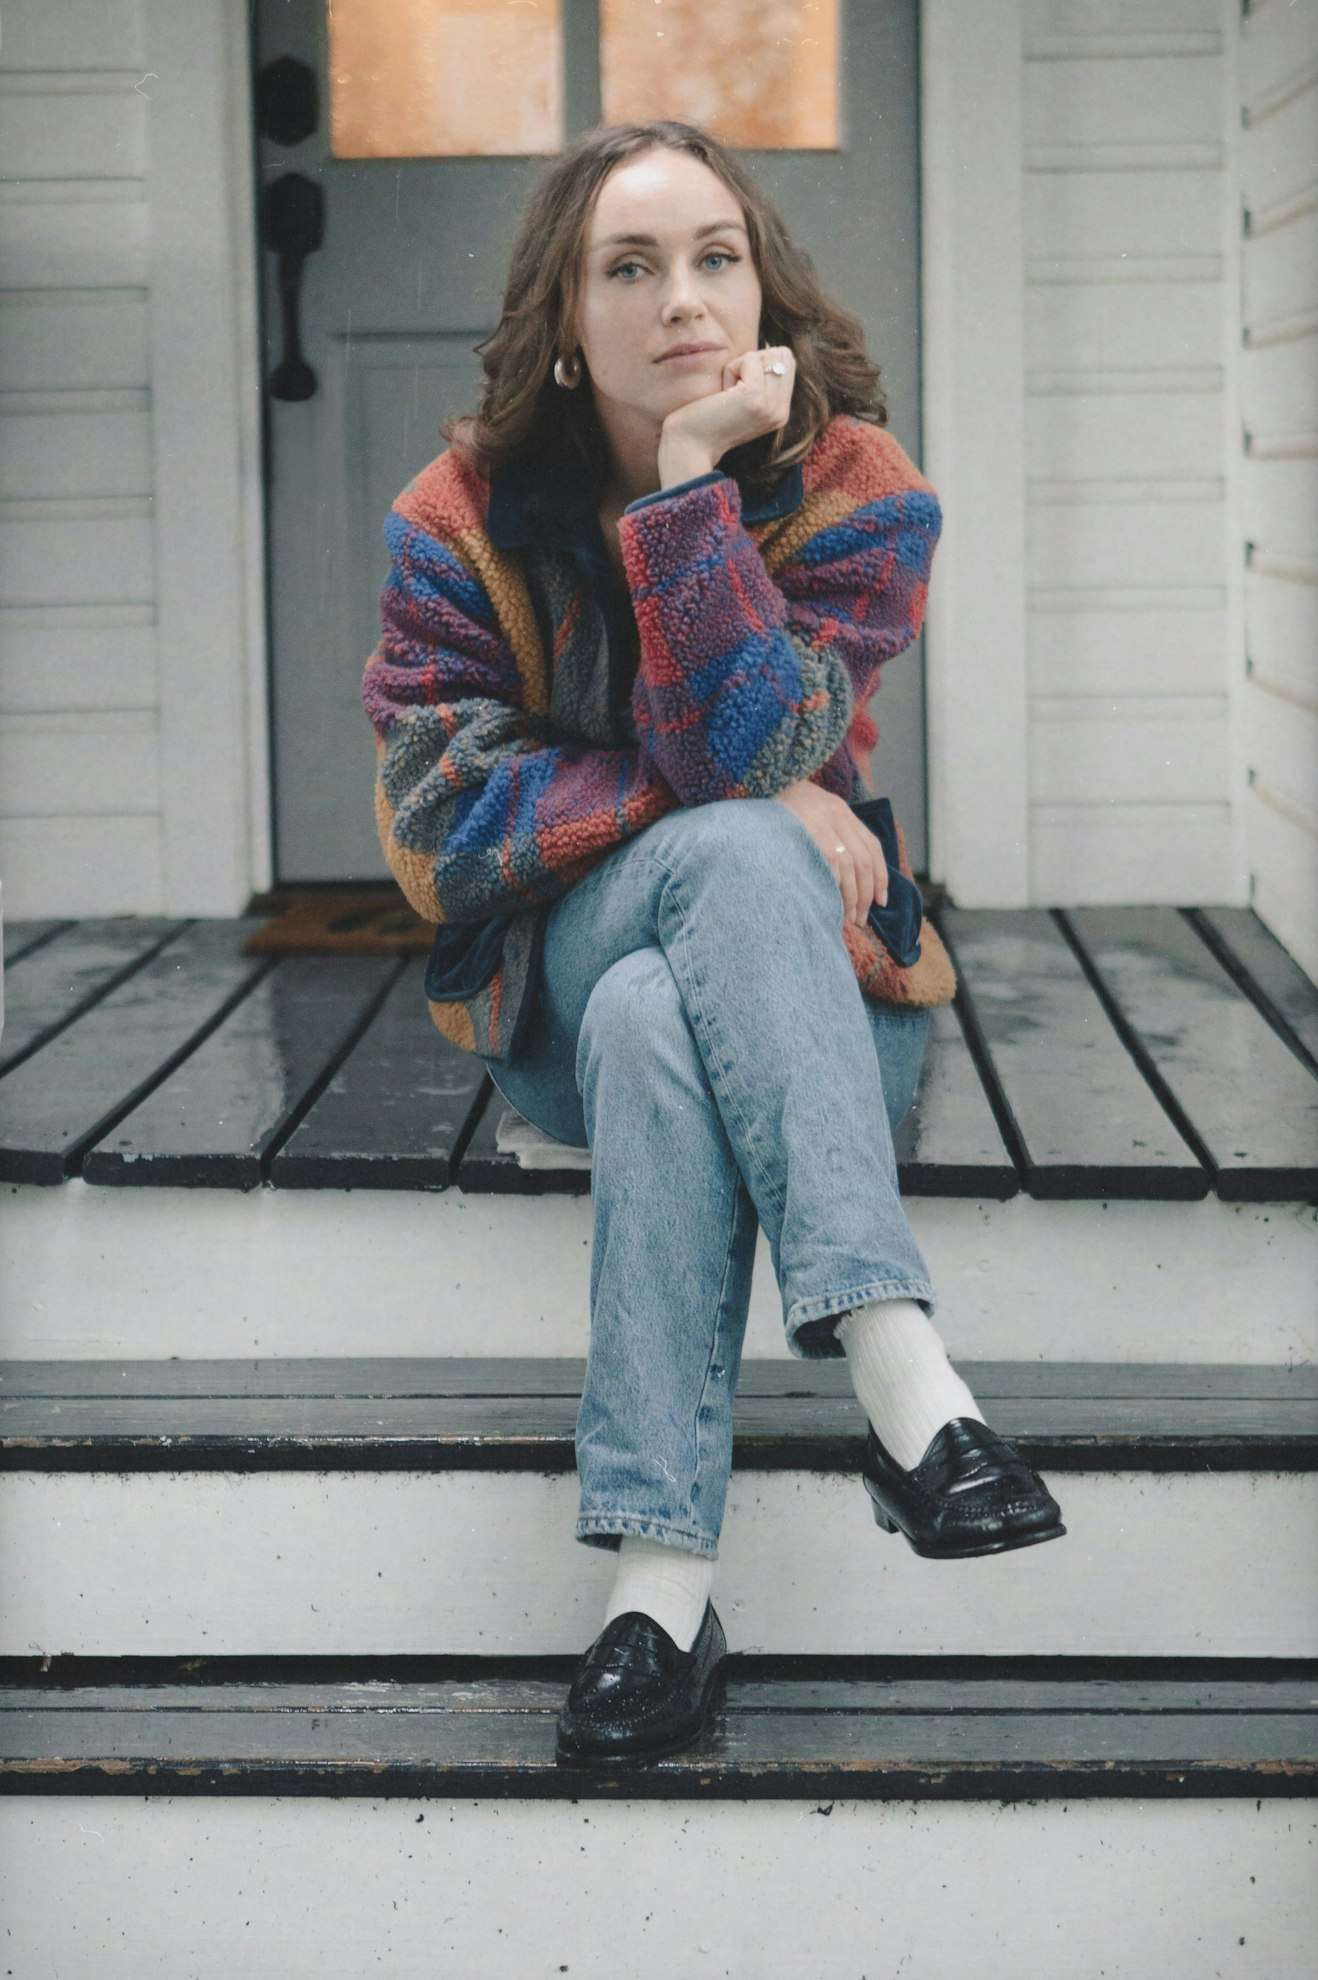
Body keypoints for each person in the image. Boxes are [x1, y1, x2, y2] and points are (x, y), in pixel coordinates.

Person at [361, 120, 1066, 1770]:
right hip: (554, 973)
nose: (681, 298)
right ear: (562, 319)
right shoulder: (456, 519)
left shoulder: (856, 492)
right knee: (737, 848)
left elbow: (746, 735)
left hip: (811, 998)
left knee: (653, 1020)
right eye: (629, 266)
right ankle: (905, 1383)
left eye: (713, 258)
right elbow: (441, 826)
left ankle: (659, 1593)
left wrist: (690, 492)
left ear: (761, 292)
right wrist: (736, 806)